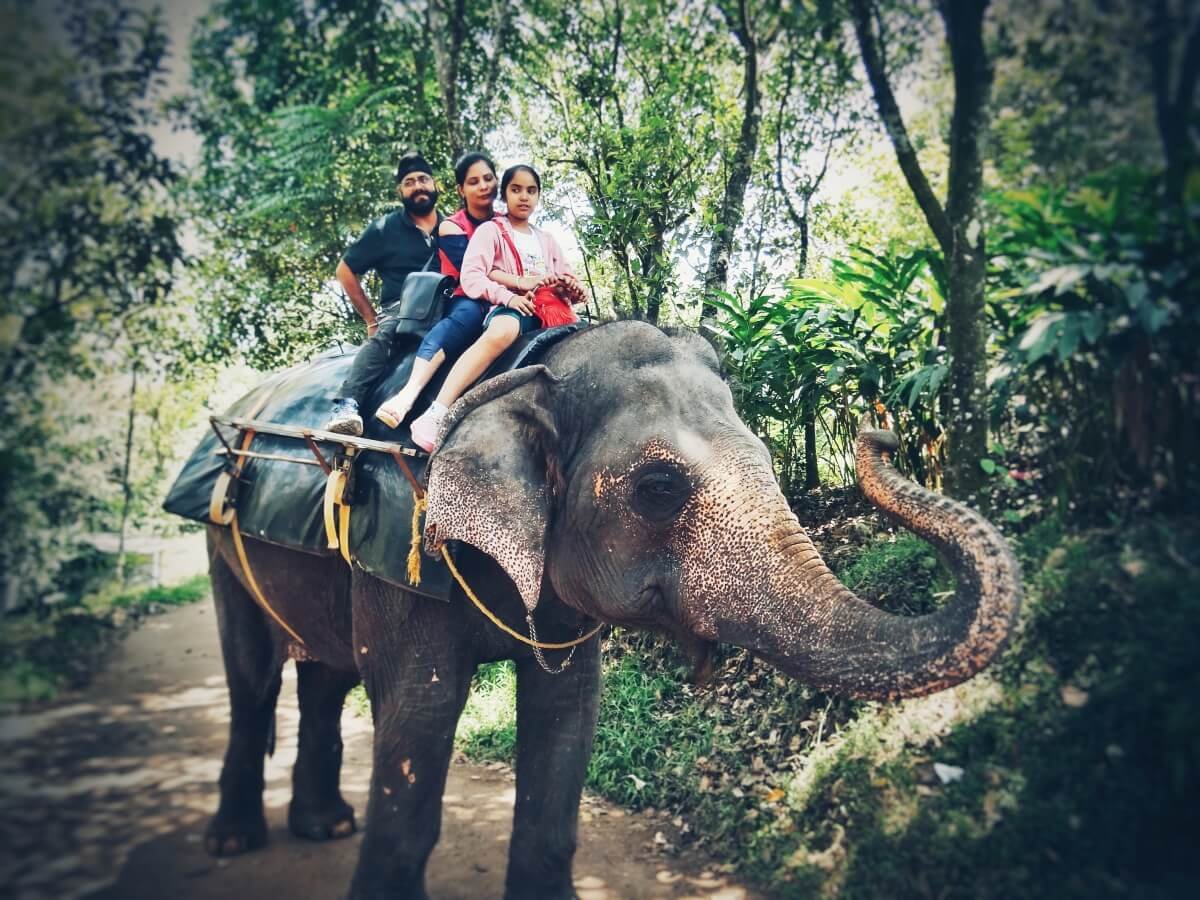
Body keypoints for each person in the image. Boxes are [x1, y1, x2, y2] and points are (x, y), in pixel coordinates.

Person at [408, 164, 586, 452]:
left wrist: (572, 289)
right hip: (516, 306)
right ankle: (437, 410)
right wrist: (509, 297)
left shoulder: (548, 241)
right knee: (502, 331)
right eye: (516, 190)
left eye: (531, 191)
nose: (524, 197)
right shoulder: (492, 230)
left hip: (555, 314)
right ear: (504, 195)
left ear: (539, 196)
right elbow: (473, 275)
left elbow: (567, 278)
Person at [374, 151, 499, 428]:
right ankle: (409, 394)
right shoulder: (452, 227)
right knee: (466, 315)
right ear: (460, 189)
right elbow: (473, 276)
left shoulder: (507, 222)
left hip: (510, 299)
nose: (483, 186)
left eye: (488, 179)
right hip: (472, 296)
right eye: (474, 181)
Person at [325, 151, 443, 436]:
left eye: (423, 179)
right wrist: (370, 318)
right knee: (382, 338)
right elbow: (345, 270)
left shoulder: (452, 226)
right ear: (400, 191)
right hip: (402, 309)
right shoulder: (386, 228)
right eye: (409, 182)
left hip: (447, 305)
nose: (418, 186)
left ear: (435, 184)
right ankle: (347, 403)